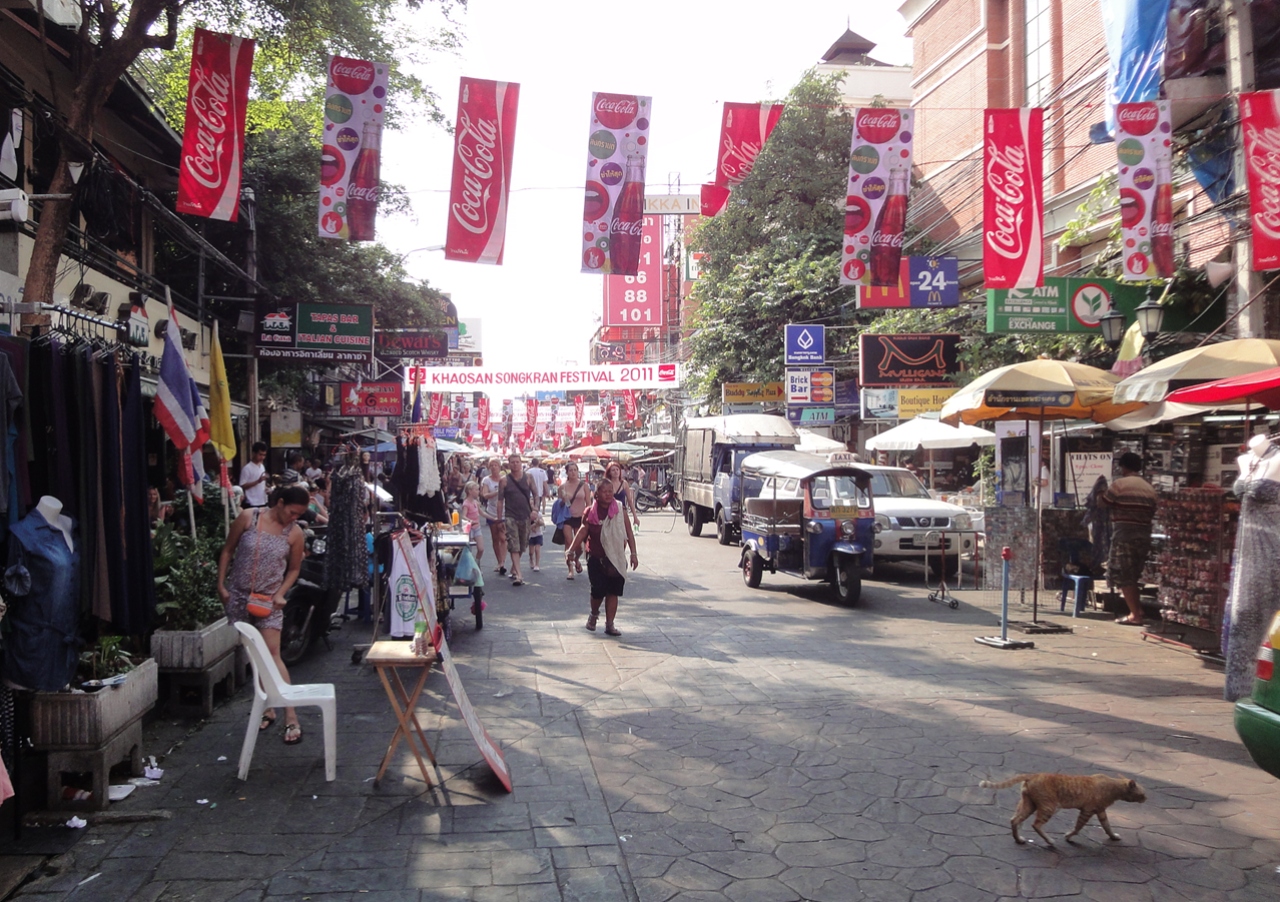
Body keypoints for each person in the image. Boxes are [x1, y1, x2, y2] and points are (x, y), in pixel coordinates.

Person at [217, 485, 309, 744]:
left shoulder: (295, 533)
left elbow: (294, 569)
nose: (294, 518)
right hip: (239, 597)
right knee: (255, 656)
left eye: (298, 515)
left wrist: (281, 593)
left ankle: (291, 715)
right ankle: (268, 708)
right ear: (280, 503)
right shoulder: (249, 517)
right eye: (292, 512)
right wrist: (221, 585)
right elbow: (228, 550)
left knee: (272, 654)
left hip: (268, 601)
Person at [1224, 434, 1280, 700]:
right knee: (1243, 618)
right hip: (1247, 551)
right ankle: (1241, 689)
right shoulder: (1245, 459)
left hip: (1274, 548)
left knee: (1271, 620)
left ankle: (1268, 687)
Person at [566, 479, 637, 637]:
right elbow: (583, 531)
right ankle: (594, 613)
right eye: (604, 491)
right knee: (597, 591)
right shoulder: (590, 512)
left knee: (613, 592)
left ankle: (610, 624)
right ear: (596, 494)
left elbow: (629, 532)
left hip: (616, 558)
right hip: (596, 557)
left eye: (610, 491)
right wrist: (571, 550)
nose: (608, 494)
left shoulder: (620, 509)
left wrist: (633, 553)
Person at [1098, 452, 1158, 626]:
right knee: (1134, 574)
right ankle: (1137, 610)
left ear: (1123, 467)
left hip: (1125, 536)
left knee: (1124, 575)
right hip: (1144, 535)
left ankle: (1135, 615)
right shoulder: (1149, 488)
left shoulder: (1119, 485)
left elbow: (1102, 503)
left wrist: (1100, 491)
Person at [497, 454, 538, 586]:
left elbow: (536, 495)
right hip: (511, 516)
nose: (515, 464)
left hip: (525, 516)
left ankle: (514, 567)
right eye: (512, 462)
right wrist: (499, 519)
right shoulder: (504, 480)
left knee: (522, 544)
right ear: (508, 464)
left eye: (517, 462)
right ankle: (519, 575)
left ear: (521, 463)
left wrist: (535, 509)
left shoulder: (528, 478)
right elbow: (500, 500)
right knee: (513, 545)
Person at [558, 462, 592, 580]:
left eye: (575, 470)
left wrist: (589, 516)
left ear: (578, 472)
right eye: (570, 470)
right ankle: (570, 570)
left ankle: (576, 559)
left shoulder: (584, 485)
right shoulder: (562, 487)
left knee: (579, 547)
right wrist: (563, 500)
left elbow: (589, 503)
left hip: (580, 518)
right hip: (567, 518)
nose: (573, 472)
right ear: (567, 472)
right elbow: (559, 505)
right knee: (569, 542)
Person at [481, 458, 508, 575]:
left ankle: (502, 563)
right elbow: (485, 495)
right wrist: (498, 492)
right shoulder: (487, 480)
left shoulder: (505, 479)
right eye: (491, 465)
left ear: (500, 467)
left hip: (505, 511)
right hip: (491, 512)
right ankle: (499, 561)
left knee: (503, 537)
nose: (493, 467)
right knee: (495, 538)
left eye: (496, 465)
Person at [603, 461, 640, 529]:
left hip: (622, 513)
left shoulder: (624, 483)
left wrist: (635, 517)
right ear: (609, 472)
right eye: (613, 470)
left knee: (625, 533)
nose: (616, 472)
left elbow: (630, 501)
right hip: (609, 514)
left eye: (617, 469)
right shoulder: (606, 484)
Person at [240, 442, 270, 508]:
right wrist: (257, 481)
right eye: (260, 454)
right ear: (254, 453)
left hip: (263, 500)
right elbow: (243, 485)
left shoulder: (262, 466)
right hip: (252, 502)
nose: (262, 457)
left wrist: (266, 488)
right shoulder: (247, 468)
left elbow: (261, 484)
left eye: (264, 455)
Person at [462, 480, 485, 563]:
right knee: (469, 549)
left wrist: (493, 518)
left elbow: (482, 512)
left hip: (477, 527)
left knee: (481, 548)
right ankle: (469, 564)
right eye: (476, 490)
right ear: (470, 491)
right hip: (469, 528)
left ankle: (477, 562)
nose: (478, 491)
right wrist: (470, 521)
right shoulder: (466, 503)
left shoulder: (475, 502)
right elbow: (463, 516)